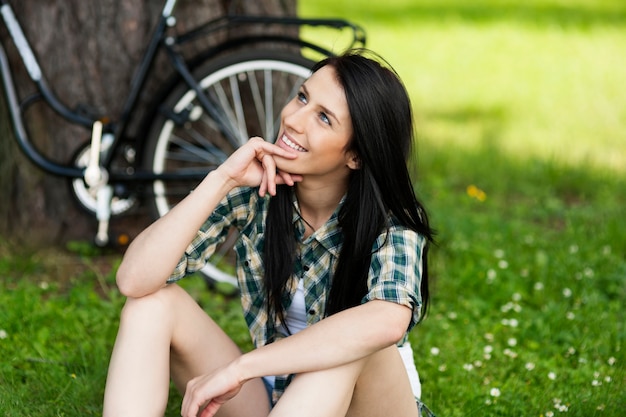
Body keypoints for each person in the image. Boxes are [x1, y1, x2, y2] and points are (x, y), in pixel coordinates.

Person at [102, 49, 435, 417]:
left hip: (368, 405)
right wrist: (222, 179)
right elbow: (134, 280)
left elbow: (387, 322)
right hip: (280, 398)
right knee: (151, 304)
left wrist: (242, 368)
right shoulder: (257, 191)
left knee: (353, 343)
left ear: (355, 155)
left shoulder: (392, 219)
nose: (294, 119)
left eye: (323, 118)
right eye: (303, 97)